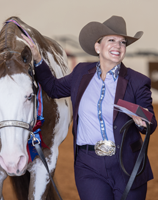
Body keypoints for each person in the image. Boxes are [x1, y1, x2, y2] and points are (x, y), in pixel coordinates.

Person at [21, 16, 157, 200]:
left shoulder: (138, 81)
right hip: (88, 165)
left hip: (126, 164)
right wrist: (38, 60)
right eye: (111, 40)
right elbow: (53, 88)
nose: (118, 46)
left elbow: (150, 121)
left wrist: (141, 120)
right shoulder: (80, 73)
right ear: (97, 46)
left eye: (122, 42)